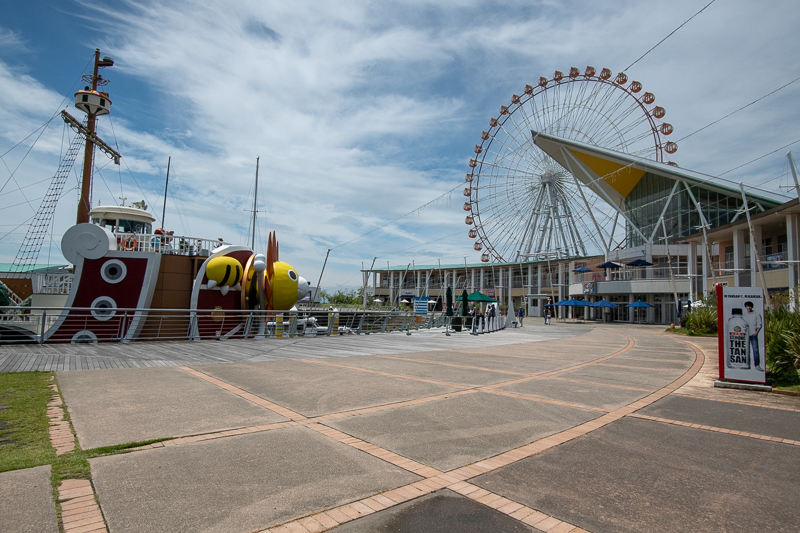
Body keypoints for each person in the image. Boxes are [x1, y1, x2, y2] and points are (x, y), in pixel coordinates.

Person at [743, 300, 763, 370]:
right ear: (745, 307)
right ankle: (747, 364)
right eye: (747, 306)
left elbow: (759, 324)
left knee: (755, 350)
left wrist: (757, 332)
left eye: (750, 306)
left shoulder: (756, 314)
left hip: (753, 334)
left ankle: (757, 365)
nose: (748, 308)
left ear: (752, 307)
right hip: (745, 335)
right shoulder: (744, 315)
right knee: (746, 350)